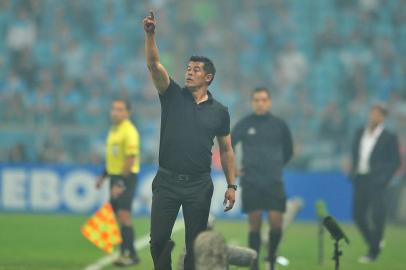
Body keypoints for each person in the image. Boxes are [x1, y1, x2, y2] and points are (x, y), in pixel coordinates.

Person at [143, 11, 237, 270]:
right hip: (167, 181)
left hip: (199, 186)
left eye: (196, 69)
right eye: (188, 68)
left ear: (208, 78)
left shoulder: (220, 111)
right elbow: (153, 65)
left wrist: (232, 185)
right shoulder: (171, 94)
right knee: (158, 241)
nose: (189, 72)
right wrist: (150, 35)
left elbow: (227, 149)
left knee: (195, 247)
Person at [232, 87, 293, 270]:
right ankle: (254, 263)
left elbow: (288, 151)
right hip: (251, 180)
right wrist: (232, 167)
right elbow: (228, 145)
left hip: (274, 181)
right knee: (255, 223)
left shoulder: (280, 125)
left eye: (264, 100)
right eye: (257, 100)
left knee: (276, 223)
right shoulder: (244, 124)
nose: (260, 103)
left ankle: (272, 257)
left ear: (269, 102)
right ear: (252, 102)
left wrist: (275, 166)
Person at [350, 104, 400, 263]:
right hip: (361, 178)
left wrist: (384, 178)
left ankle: (373, 253)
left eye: (378, 114)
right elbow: (354, 153)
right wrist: (353, 169)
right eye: (372, 113)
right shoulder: (360, 132)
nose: (374, 117)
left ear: (383, 117)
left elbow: (396, 161)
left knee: (378, 215)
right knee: (358, 215)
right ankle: (374, 241)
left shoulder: (389, 136)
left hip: (377, 180)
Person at [95, 98, 140, 267]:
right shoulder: (114, 130)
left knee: (123, 215)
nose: (115, 112)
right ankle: (130, 253)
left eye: (120, 109)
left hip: (126, 178)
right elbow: (114, 159)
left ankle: (127, 254)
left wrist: (119, 183)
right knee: (117, 216)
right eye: (114, 108)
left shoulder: (129, 131)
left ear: (128, 113)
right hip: (115, 176)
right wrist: (103, 176)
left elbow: (130, 159)